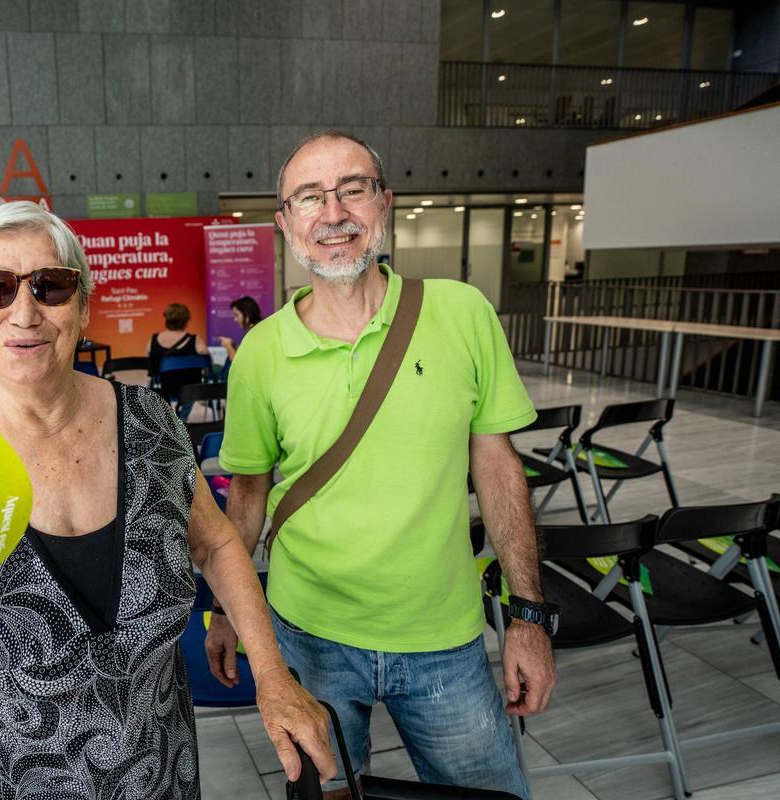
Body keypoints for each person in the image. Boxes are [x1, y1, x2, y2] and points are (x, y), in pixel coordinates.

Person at [0, 201, 335, 799]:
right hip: (4, 779)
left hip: (158, 770)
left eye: (52, 286)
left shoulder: (148, 419)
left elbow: (213, 541)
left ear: (83, 307)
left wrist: (271, 676)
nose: (24, 312)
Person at [205, 131, 555, 800]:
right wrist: (226, 612)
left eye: (352, 189)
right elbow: (246, 497)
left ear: (384, 203)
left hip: (444, 638)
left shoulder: (462, 313)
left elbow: (499, 470)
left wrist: (529, 619)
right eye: (309, 197)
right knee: (330, 795)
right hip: (309, 638)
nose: (331, 214)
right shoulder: (260, 355)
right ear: (285, 223)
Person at [216, 295, 262, 361]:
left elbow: (237, 363)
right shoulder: (259, 329)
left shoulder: (251, 334)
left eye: (237, 315)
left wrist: (228, 345)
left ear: (247, 315)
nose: (235, 319)